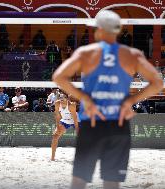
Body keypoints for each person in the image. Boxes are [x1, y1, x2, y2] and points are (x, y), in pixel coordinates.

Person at [52, 10, 163, 189]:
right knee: (111, 183)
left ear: (99, 30)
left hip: (92, 121)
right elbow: (157, 83)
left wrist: (84, 98)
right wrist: (129, 101)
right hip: (118, 122)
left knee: (79, 181)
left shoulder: (86, 52)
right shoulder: (132, 54)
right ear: (117, 31)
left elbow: (58, 77)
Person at [51, 93, 79, 161]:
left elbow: (75, 119)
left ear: (67, 99)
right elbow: (57, 116)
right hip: (64, 121)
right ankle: (52, 157)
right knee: (55, 136)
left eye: (62, 98)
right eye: (60, 98)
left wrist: (77, 129)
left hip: (74, 120)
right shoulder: (57, 103)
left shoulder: (71, 105)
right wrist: (58, 127)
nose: (61, 99)